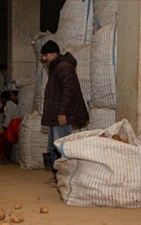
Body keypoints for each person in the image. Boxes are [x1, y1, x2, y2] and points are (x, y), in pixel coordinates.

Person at [41, 40, 89, 185]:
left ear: (55, 54)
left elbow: (69, 91)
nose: (44, 58)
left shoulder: (64, 68)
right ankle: (58, 177)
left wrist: (62, 112)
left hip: (60, 115)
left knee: (62, 147)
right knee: (53, 146)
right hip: (55, 114)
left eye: (46, 55)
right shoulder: (56, 68)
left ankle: (66, 178)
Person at [0, 90, 21, 164]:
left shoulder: (8, 104)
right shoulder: (11, 104)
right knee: (9, 141)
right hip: (15, 122)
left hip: (13, 123)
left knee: (8, 141)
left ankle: (6, 158)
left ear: (3, 98)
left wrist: (4, 127)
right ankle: (7, 158)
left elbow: (8, 117)